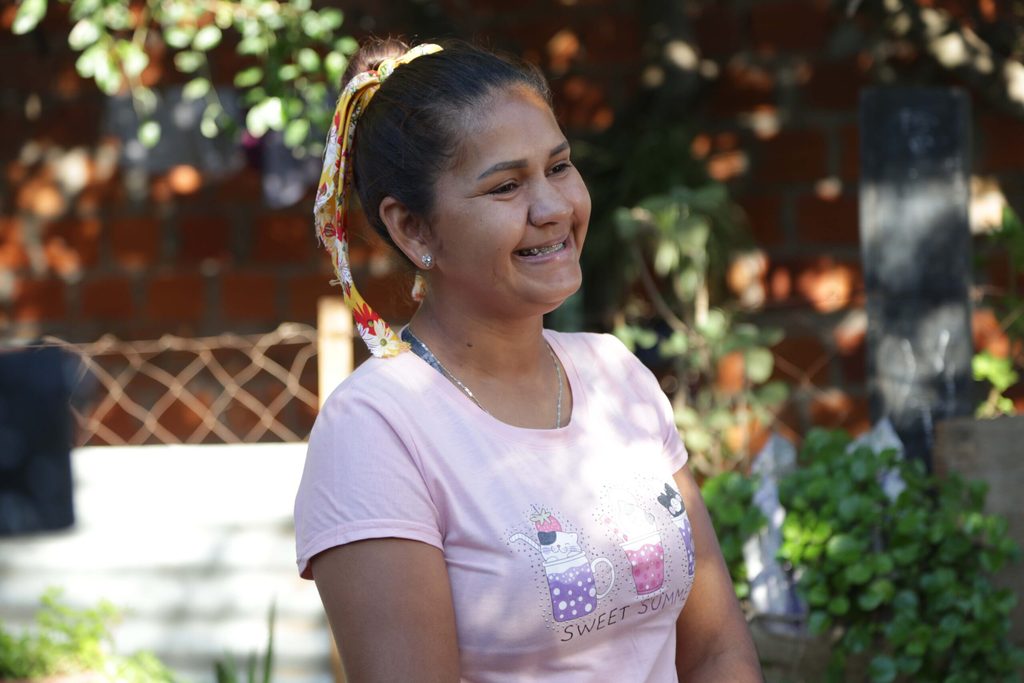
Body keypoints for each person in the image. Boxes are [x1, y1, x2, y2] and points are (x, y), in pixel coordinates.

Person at [294, 37, 762, 682]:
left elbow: (717, 652)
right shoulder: (377, 427)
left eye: (560, 167)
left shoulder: (615, 374)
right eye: (507, 186)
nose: (554, 209)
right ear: (413, 229)